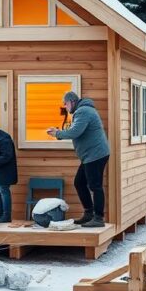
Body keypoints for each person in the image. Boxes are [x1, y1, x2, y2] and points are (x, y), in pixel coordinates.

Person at [48, 92, 111, 228]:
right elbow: (75, 130)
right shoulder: (83, 110)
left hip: (95, 154)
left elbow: (75, 132)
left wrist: (57, 134)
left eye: (65, 103)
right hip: (90, 155)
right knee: (80, 182)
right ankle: (89, 213)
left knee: (95, 186)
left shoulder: (83, 111)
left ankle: (98, 218)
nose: (64, 106)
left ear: (72, 101)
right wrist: (59, 133)